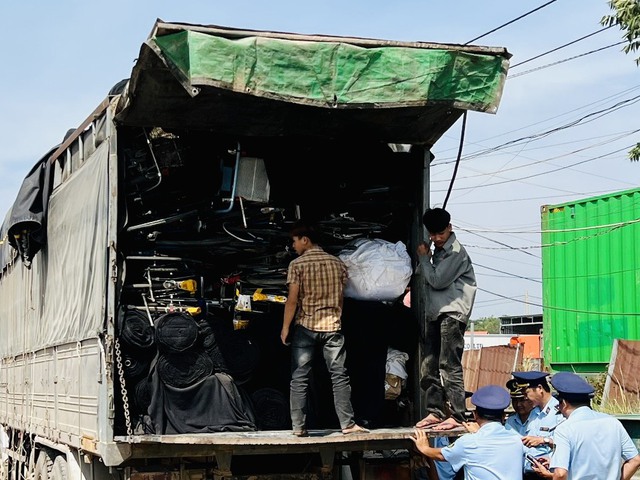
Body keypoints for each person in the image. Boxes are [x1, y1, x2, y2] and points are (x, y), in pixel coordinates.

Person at [280, 220, 367, 437]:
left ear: (305, 240)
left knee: (299, 377)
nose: (293, 246)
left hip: (306, 326)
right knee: (339, 375)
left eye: (294, 241)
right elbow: (341, 297)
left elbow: (292, 300)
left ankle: (298, 427)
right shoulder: (337, 264)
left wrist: (285, 327)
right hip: (332, 328)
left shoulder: (297, 265)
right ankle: (347, 425)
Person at [415, 207, 477, 431]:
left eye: (440, 233)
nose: (436, 238)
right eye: (432, 234)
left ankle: (458, 414)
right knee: (429, 365)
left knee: (448, 365)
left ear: (450, 228)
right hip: (436, 313)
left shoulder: (455, 253)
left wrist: (424, 258)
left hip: (452, 313)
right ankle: (435, 412)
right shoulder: (439, 252)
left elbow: (437, 281)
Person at [532, 372, 640, 480]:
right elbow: (635, 460)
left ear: (564, 403)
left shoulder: (564, 429)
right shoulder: (613, 422)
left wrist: (550, 475)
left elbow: (560, 474)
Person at [411, 385, 525, 479]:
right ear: (504, 416)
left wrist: (424, 448)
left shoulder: (469, 442)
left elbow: (441, 455)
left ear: (475, 415)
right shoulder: (517, 438)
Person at [511, 371, 563, 479]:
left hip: (549, 474)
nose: (526, 398)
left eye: (526, 394)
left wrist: (544, 440)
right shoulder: (534, 413)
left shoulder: (560, 412)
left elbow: (568, 444)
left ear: (539, 389)